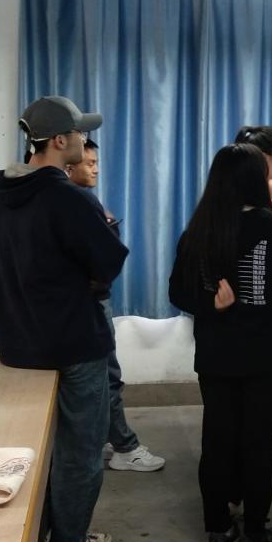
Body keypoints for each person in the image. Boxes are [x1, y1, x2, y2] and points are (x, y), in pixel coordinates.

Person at [0, 96, 128, 542]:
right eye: (81, 133)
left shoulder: (5, 196)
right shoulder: (68, 196)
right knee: (81, 447)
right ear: (61, 141)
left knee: (37, 447)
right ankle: (69, 540)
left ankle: (36, 535)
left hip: (20, 342)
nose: (86, 141)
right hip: (74, 342)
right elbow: (108, 261)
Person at [168, 143, 272, 542]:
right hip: (267, 355)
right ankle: (254, 535)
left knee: (217, 440)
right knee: (258, 443)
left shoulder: (199, 230)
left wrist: (212, 304)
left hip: (216, 354)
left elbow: (177, 292)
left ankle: (217, 532)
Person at [66, 140, 165, 473]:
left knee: (106, 375)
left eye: (96, 162)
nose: (95, 169)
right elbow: (96, 263)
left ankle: (113, 437)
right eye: (88, 163)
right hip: (90, 304)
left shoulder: (84, 202)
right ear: (69, 165)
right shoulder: (75, 204)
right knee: (107, 376)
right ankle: (125, 446)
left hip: (94, 301)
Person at [233, 125, 272, 493]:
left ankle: (239, 482)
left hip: (225, 341)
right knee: (258, 421)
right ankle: (255, 483)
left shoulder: (215, 214)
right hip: (264, 339)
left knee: (234, 420)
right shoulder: (269, 222)